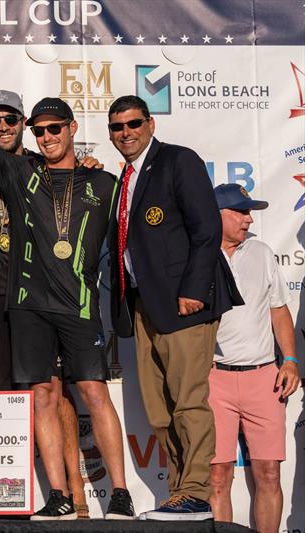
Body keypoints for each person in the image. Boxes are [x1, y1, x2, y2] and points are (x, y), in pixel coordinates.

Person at [0, 64, 134, 520]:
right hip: (30, 309)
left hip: (79, 306)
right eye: (39, 131)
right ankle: (57, 496)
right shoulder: (21, 174)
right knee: (40, 394)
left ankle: (120, 493)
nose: (46, 137)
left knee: (95, 394)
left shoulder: (104, 183)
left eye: (54, 128)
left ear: (73, 128)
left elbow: (129, 246)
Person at [106, 95, 241, 520]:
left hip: (186, 303)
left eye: (132, 123)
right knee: (159, 409)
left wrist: (194, 289)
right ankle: (182, 492)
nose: (125, 132)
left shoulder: (177, 160)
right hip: (145, 304)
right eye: (116, 127)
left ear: (150, 124)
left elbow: (207, 230)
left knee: (188, 401)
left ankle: (197, 490)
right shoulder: (123, 178)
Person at [208, 184, 299, 533]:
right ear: (217, 215)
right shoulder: (196, 255)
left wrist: (289, 359)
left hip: (264, 376)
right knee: (217, 476)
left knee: (269, 472)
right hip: (213, 379)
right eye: (240, 212)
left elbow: (279, 311)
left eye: (249, 212)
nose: (249, 219)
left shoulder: (261, 253)